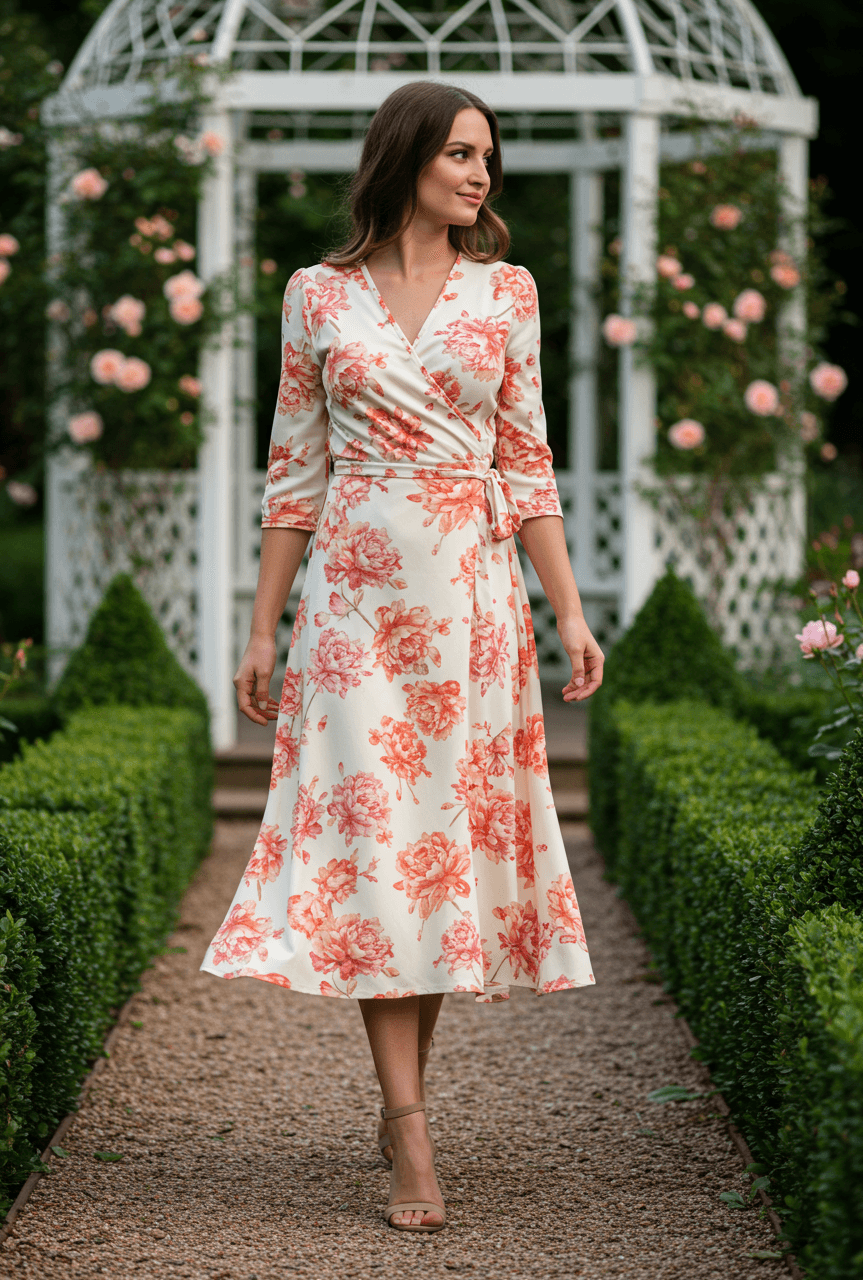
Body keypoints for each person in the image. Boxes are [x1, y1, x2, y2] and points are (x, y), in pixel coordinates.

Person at [200, 80, 605, 1234]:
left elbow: (524, 463)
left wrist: (567, 611)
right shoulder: (316, 295)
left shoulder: (506, 291)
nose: (479, 175)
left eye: (488, 157)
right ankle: (411, 1127)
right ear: (405, 157)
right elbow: (293, 471)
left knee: (433, 863)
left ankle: (399, 1105)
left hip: (473, 610)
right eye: (460, 154)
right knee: (378, 847)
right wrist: (260, 624)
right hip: (351, 610)